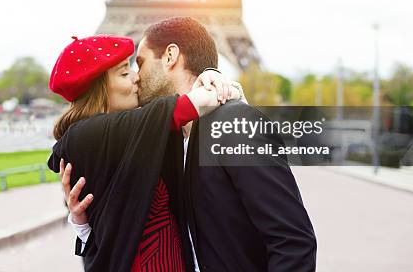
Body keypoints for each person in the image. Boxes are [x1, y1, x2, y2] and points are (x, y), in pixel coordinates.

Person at [63, 17, 317, 272]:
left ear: (170, 56)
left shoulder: (235, 123)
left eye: (139, 64)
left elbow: (292, 240)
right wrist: (82, 223)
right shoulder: (160, 142)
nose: (136, 77)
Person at [47, 34, 240, 272]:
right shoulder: (90, 135)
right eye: (124, 73)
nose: (137, 77)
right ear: (100, 86)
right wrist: (213, 78)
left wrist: (81, 224)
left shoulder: (117, 138)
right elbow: (191, 104)